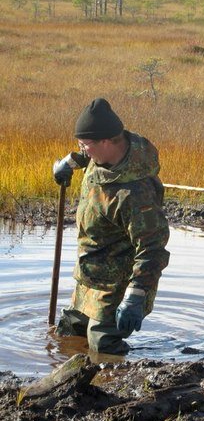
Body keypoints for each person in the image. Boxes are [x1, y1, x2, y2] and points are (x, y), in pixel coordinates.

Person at [52, 98, 170, 354]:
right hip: (91, 271)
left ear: (106, 141)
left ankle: (114, 385)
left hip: (119, 282)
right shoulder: (105, 154)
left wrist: (135, 296)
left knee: (101, 344)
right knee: (69, 329)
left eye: (85, 144)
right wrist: (70, 162)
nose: (83, 149)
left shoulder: (135, 194)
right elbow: (86, 154)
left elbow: (152, 248)